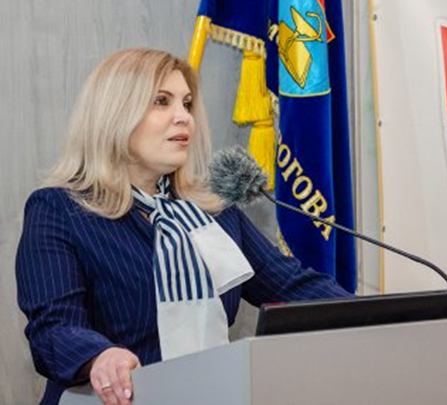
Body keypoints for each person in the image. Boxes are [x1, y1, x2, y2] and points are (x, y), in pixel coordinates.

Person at [15, 47, 351, 405]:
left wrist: (378, 316)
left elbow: (293, 285)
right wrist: (100, 356)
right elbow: (54, 328)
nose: (184, 117)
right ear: (115, 113)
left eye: (187, 104)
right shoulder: (59, 209)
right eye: (162, 101)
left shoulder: (213, 211)